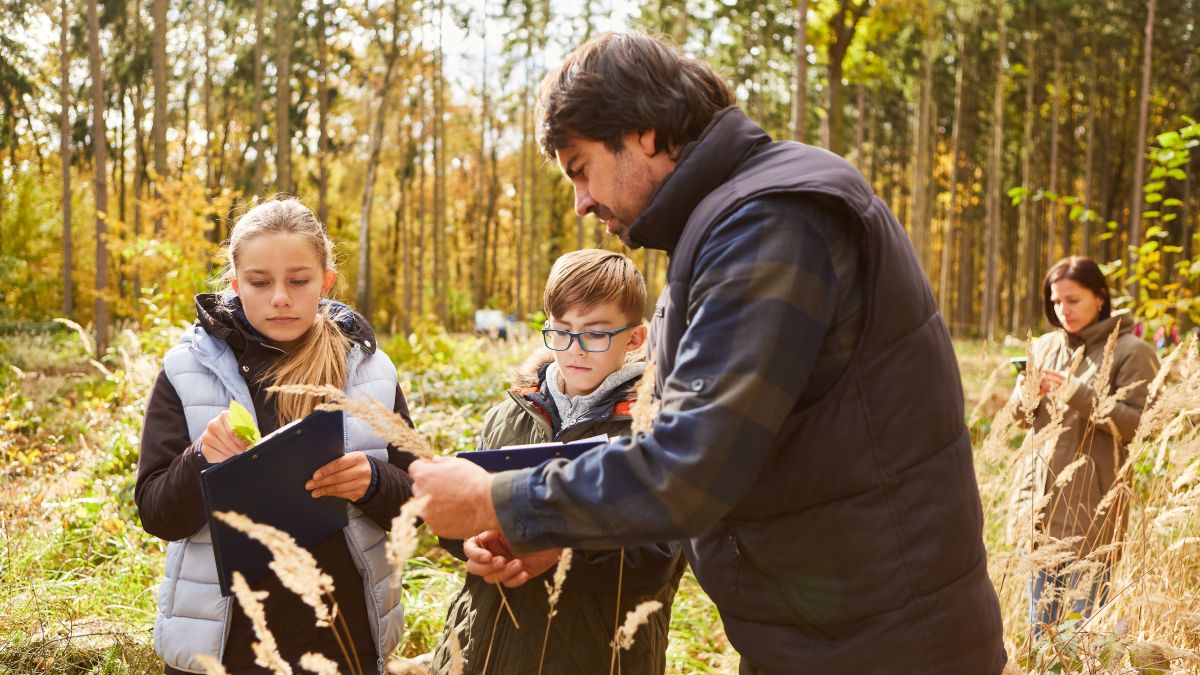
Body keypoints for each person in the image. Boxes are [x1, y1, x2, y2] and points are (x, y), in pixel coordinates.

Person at [410, 32, 1006, 673]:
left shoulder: (772, 221)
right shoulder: (726, 229)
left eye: (580, 168)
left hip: (882, 646)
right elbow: (717, 475)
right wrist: (557, 540)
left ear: (643, 131)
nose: (581, 202)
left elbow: (691, 467)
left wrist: (498, 500)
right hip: (822, 635)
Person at [135, 196, 416, 674]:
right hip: (223, 645)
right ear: (235, 284)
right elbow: (157, 513)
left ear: (325, 282)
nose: (280, 297)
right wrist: (201, 457)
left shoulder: (371, 371)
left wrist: (371, 481)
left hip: (342, 641)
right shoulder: (187, 371)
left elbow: (416, 501)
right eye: (260, 283)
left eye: (299, 281)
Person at [430, 249, 684, 674]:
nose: (576, 350)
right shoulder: (510, 413)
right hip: (483, 652)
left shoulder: (655, 429)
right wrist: (467, 544)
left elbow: (658, 556)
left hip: (596, 656)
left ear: (635, 338)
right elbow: (463, 516)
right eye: (562, 332)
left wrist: (558, 552)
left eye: (596, 334)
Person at [1012, 256, 1159, 636]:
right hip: (1039, 516)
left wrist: (1075, 392)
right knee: (1039, 637)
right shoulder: (1044, 346)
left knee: (1081, 639)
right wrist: (1025, 394)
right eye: (1056, 301)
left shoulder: (1132, 351)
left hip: (1091, 519)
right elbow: (1021, 420)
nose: (1064, 310)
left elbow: (1142, 425)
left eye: (1073, 300)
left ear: (1100, 297)